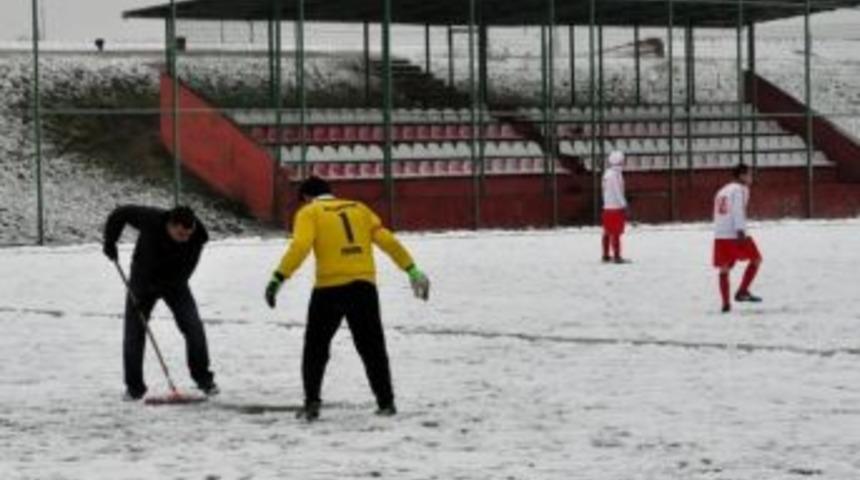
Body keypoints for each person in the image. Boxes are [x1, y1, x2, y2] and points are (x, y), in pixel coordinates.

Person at [265, 177, 430, 421]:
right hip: (363, 286)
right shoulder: (359, 209)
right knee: (372, 347)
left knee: (316, 348)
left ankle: (312, 402)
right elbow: (387, 240)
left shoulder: (310, 212)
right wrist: (411, 269)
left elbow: (300, 246)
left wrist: (279, 277)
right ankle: (386, 402)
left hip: (329, 287)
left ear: (307, 198)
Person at [103, 205, 217, 400]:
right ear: (170, 225)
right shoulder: (151, 219)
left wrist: (162, 286)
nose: (185, 239)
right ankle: (134, 388)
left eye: (188, 234)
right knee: (134, 333)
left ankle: (203, 379)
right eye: (181, 234)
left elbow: (185, 272)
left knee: (193, 326)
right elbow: (120, 213)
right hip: (142, 279)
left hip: (175, 282)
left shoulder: (197, 237)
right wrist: (110, 240)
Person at [712, 164, 763, 313]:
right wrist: (740, 230)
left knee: (724, 268)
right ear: (742, 176)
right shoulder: (741, 189)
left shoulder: (723, 190)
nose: (751, 178)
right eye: (749, 174)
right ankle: (742, 290)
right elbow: (737, 210)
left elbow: (717, 211)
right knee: (756, 259)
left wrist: (718, 230)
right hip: (735, 232)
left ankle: (725, 304)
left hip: (720, 233)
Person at [602, 150, 628, 263]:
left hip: (607, 206)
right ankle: (617, 256)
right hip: (615, 207)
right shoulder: (615, 175)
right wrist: (623, 204)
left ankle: (606, 255)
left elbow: (604, 191)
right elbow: (617, 191)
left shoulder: (607, 174)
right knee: (616, 233)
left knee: (607, 231)